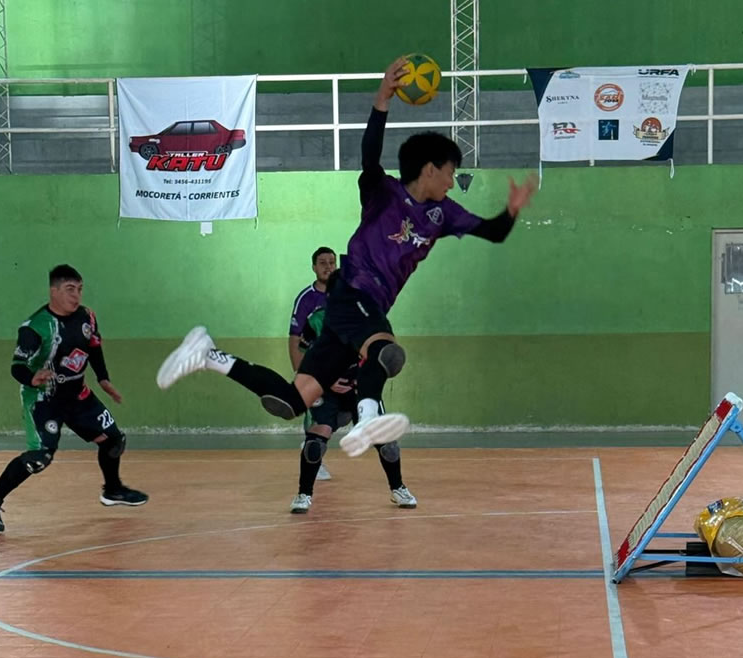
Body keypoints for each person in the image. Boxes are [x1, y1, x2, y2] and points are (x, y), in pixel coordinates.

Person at [156, 56, 537, 458]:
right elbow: (370, 155)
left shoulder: (445, 213)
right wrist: (382, 98)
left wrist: (512, 209)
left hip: (358, 313)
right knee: (387, 352)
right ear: (429, 169)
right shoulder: (383, 192)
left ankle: (209, 355)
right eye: (450, 172)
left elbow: (493, 232)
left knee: (290, 401)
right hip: (353, 290)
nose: (451, 181)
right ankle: (368, 417)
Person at [0, 265, 148, 533]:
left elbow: (94, 348)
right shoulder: (35, 327)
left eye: (79, 289)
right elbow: (17, 366)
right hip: (44, 399)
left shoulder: (87, 316)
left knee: (114, 440)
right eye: (69, 289)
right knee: (39, 457)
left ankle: (113, 490)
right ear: (54, 291)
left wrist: (103, 379)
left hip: (78, 395)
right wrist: (32, 377)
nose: (76, 295)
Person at [291, 305, 416, 513]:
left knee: (388, 445)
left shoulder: (372, 317)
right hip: (326, 389)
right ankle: (304, 494)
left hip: (360, 388)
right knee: (315, 444)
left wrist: (364, 379)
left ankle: (398, 488)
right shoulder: (317, 320)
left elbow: (382, 357)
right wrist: (326, 380)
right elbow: (305, 357)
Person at [288, 246, 338, 481]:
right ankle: (313, 457)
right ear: (314, 267)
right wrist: (300, 372)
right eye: (323, 263)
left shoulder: (343, 294)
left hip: (339, 369)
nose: (328, 267)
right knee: (316, 412)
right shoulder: (306, 298)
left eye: (332, 262)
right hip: (313, 369)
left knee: (340, 415)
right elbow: (294, 337)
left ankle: (313, 448)